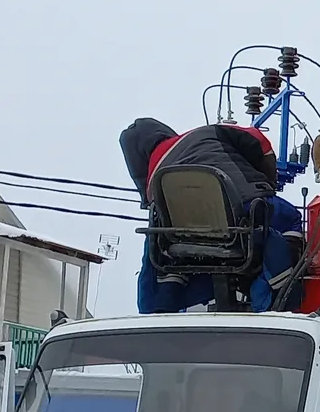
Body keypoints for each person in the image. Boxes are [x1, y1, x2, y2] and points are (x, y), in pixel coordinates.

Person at [119, 118, 306, 313]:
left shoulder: (153, 186)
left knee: (173, 255)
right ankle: (281, 288)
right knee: (289, 219)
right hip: (249, 212)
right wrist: (267, 185)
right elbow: (260, 143)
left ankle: (168, 297)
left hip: (192, 242)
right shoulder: (208, 132)